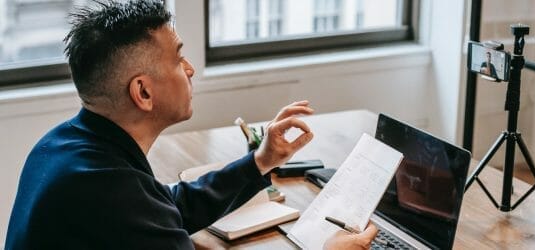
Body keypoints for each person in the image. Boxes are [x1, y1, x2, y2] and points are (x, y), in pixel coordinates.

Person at [5, 1, 377, 249]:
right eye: (179, 58)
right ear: (143, 92)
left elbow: (169, 207)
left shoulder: (64, 145)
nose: (190, 69)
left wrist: (260, 161)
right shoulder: (106, 190)